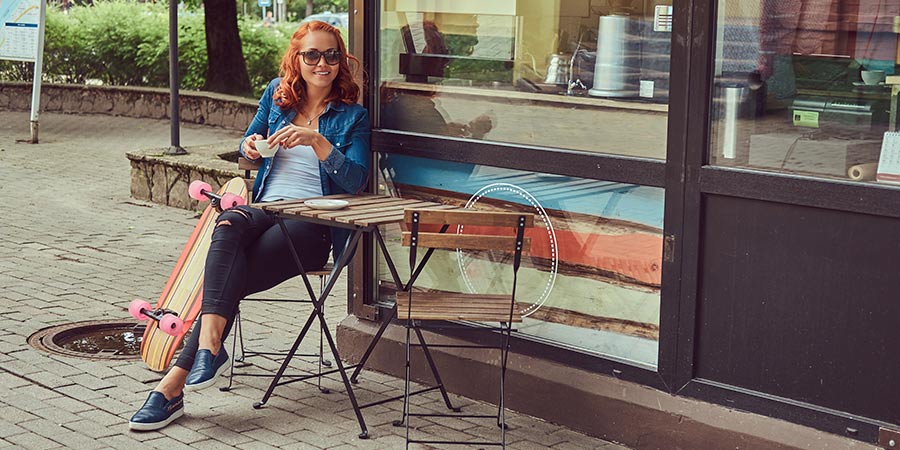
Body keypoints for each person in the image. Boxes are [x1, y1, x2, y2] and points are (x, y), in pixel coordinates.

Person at [128, 20, 370, 431]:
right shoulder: (277, 97)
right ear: (297, 59)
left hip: (313, 224)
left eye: (331, 55)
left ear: (340, 61)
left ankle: (174, 384)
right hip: (266, 211)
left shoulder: (353, 116)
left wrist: (317, 142)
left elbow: (356, 180)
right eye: (312, 54)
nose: (322, 63)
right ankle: (206, 349)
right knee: (227, 223)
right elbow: (248, 148)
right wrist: (252, 148)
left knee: (226, 278)